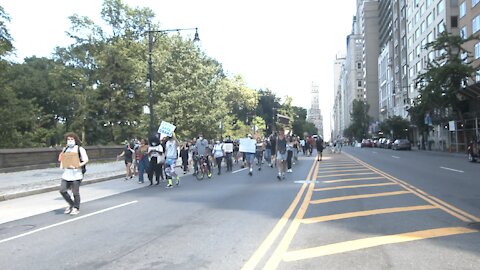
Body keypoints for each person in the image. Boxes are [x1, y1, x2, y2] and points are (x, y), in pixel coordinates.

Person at [59, 132, 89, 216]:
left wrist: (77, 165)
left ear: (75, 140)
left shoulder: (79, 149)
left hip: (76, 174)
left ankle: (76, 207)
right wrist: (62, 165)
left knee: (75, 192)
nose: (70, 141)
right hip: (66, 174)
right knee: (62, 190)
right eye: (68, 139)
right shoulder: (65, 149)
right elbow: (63, 159)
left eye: (72, 139)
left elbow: (86, 160)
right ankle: (71, 204)